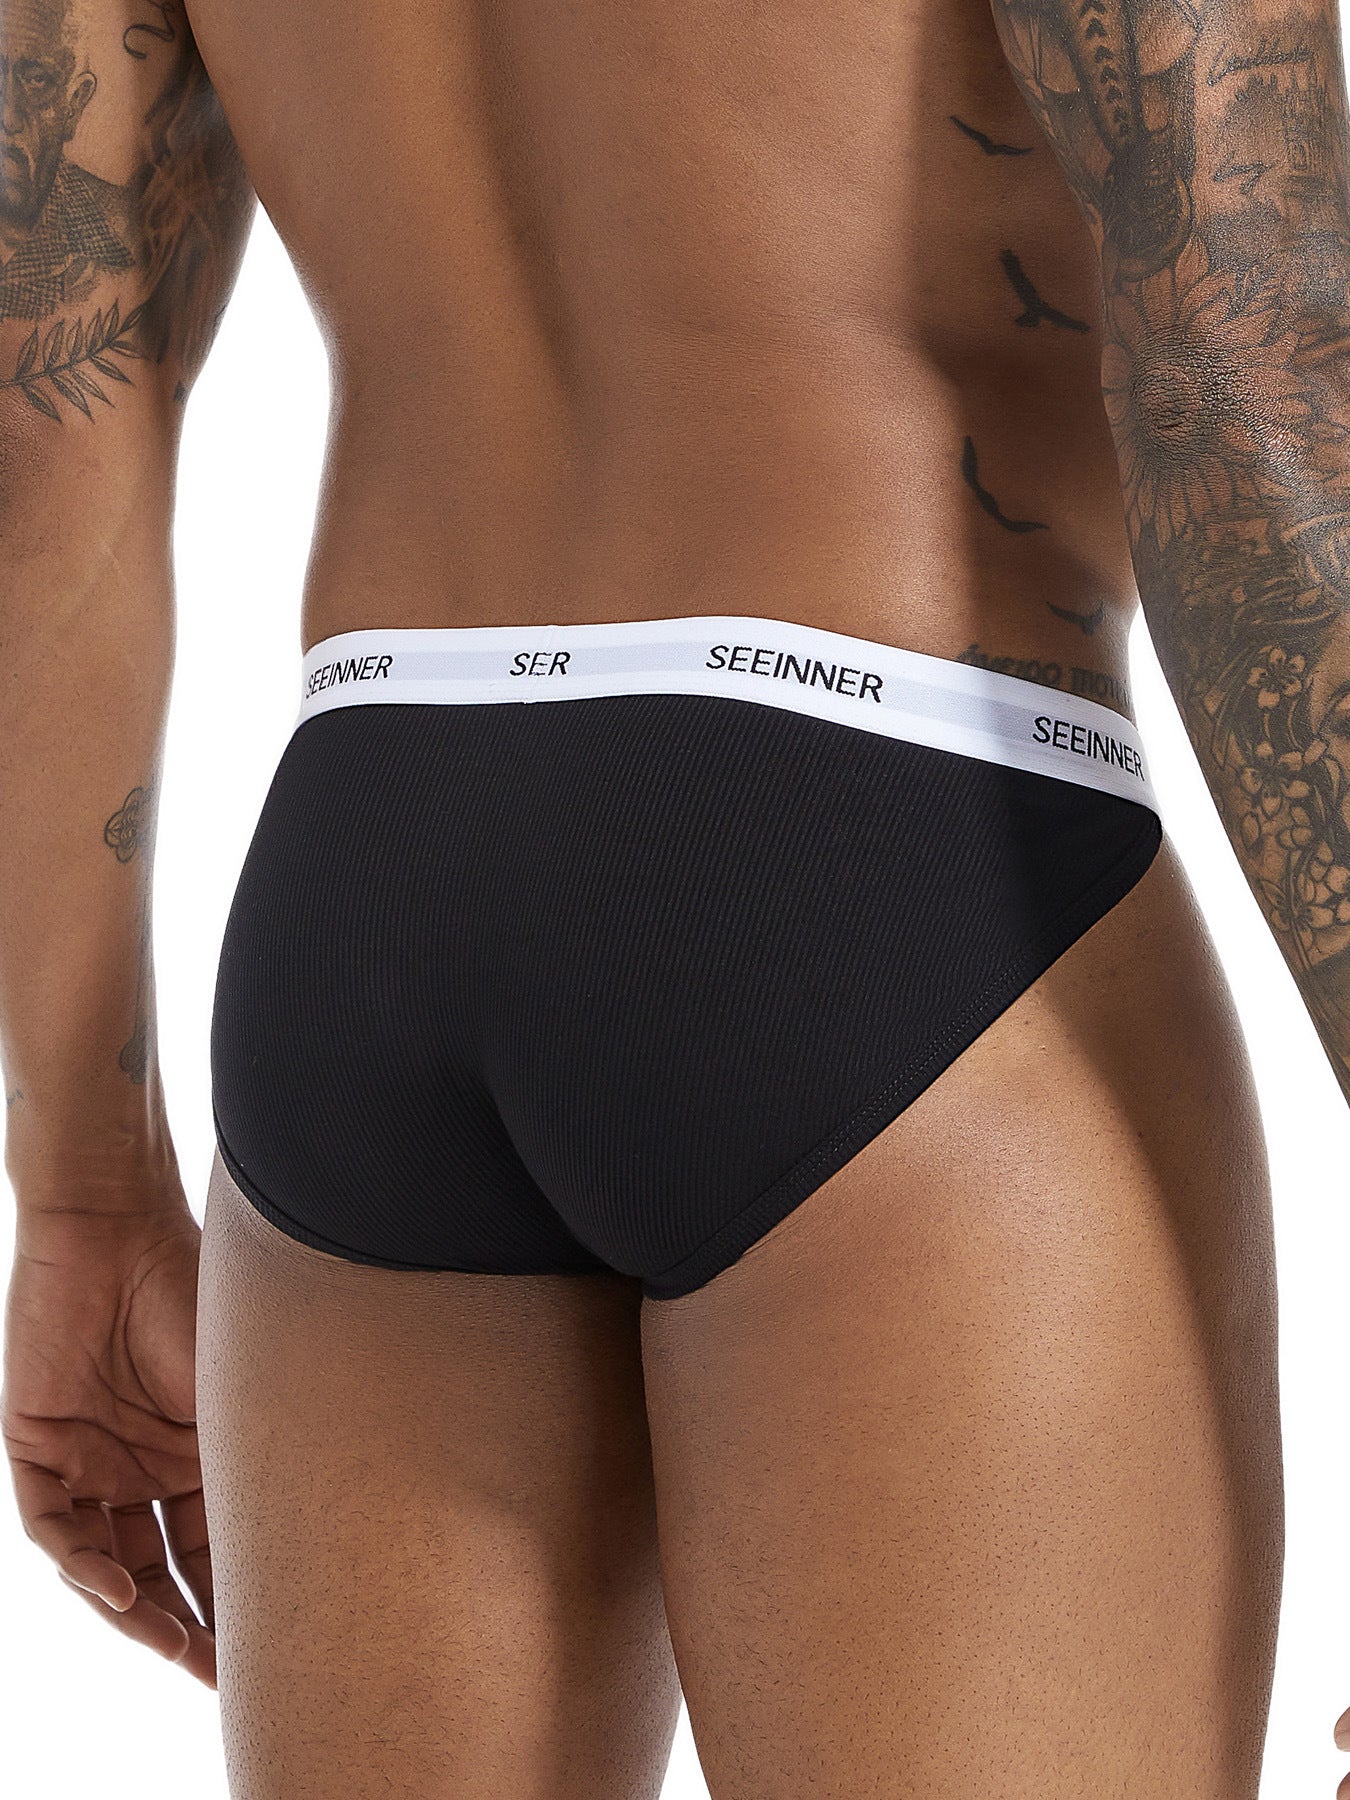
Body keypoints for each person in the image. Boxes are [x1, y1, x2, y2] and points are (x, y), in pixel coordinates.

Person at [2, 0, 1345, 1792]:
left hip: (371, 868)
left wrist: (83, 1196)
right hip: (891, 848)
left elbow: (40, 424)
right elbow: (1247, 374)